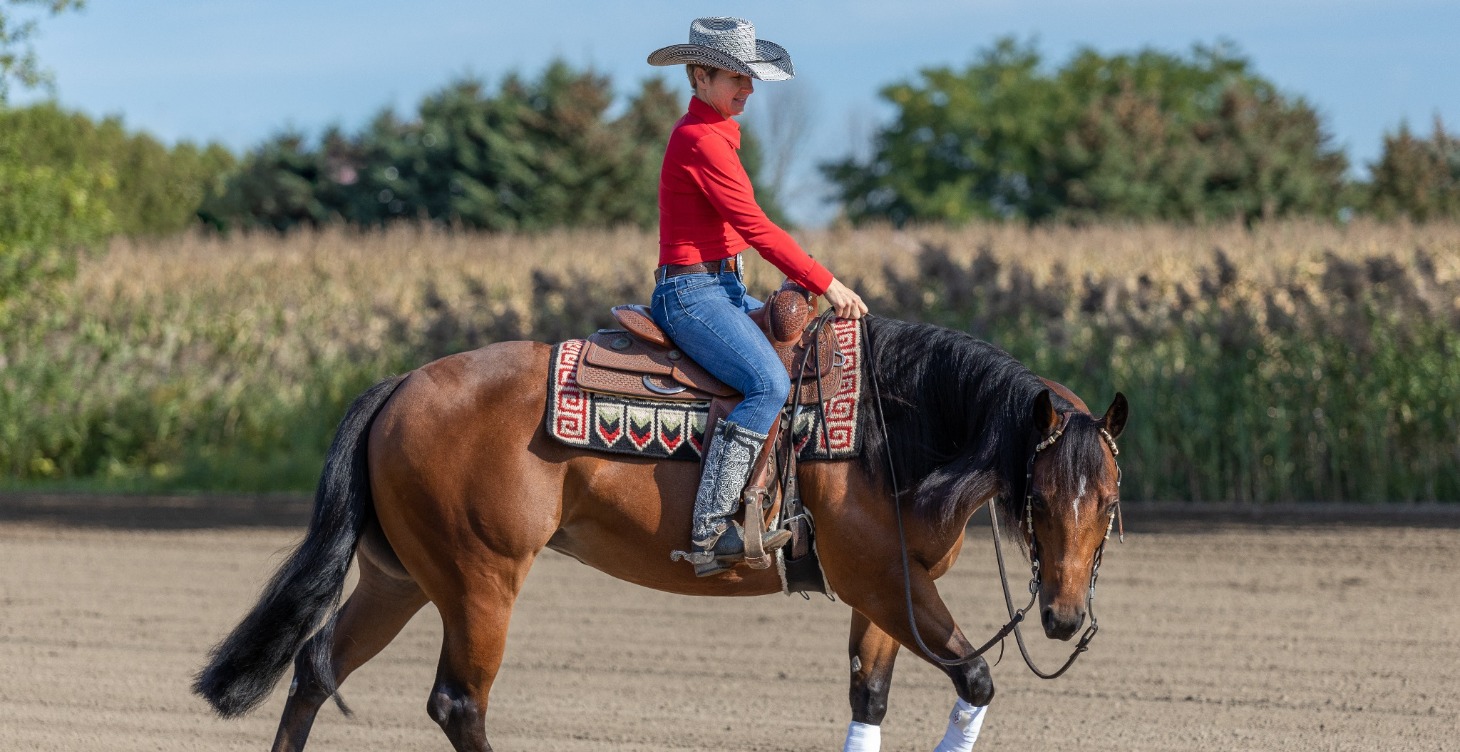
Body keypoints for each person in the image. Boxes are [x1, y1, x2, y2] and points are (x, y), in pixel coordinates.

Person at [647, 17, 868, 576]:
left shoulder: (718, 134)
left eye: (751, 79)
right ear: (699, 76)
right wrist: (827, 282)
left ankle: (789, 504)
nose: (747, 90)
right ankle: (711, 527)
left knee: (810, 357)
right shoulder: (699, 140)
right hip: (691, 294)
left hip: (723, 287)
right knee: (766, 382)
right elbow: (757, 229)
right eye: (735, 78)